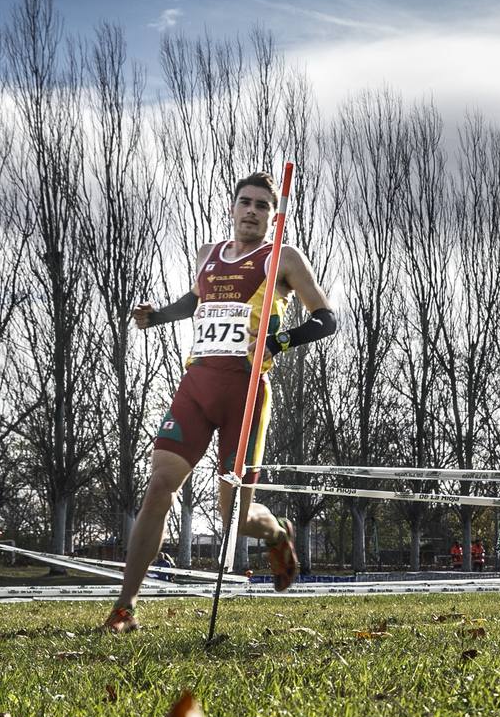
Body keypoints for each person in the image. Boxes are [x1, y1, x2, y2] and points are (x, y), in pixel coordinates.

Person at [101, 172, 336, 632]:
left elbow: (326, 320)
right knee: (158, 487)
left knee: (236, 517)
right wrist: (158, 317)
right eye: (244, 202)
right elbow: (196, 301)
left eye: (262, 205)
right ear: (232, 207)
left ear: (273, 214)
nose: (251, 211)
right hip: (197, 384)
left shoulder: (281, 258)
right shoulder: (208, 255)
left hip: (244, 391)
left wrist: (278, 341)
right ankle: (124, 608)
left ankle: (277, 532)